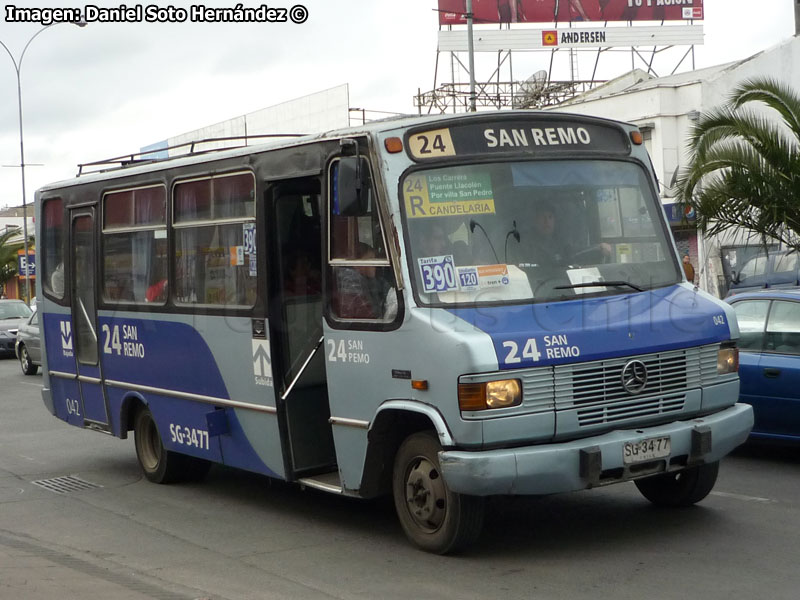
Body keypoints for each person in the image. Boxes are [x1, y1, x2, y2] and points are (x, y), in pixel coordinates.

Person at [528, 201, 611, 266]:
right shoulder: (525, 243)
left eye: (550, 217)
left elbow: (574, 253)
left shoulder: (558, 242)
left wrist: (598, 248)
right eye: (542, 217)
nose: (547, 221)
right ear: (535, 220)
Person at [334, 244, 395, 320]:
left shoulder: (371, 279)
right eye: (371, 259)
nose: (375, 265)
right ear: (357, 262)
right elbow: (368, 316)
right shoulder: (351, 281)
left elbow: (387, 290)